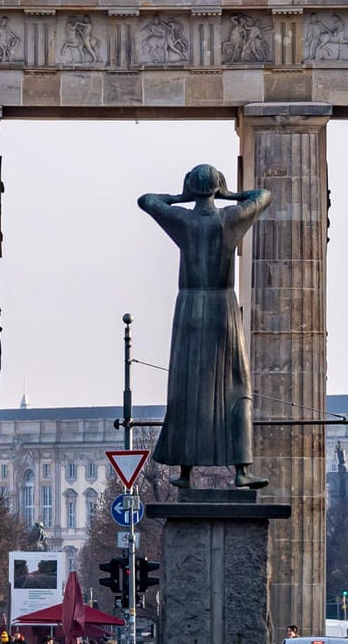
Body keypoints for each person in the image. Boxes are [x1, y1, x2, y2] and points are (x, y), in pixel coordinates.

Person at [139, 164, 272, 489]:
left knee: (186, 389)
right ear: (217, 188)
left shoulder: (183, 220)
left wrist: (181, 196)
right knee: (237, 388)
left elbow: (147, 200)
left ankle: (185, 472)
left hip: (188, 308)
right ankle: (241, 469)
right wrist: (230, 194)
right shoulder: (229, 219)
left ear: (191, 188)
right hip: (221, 307)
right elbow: (263, 196)